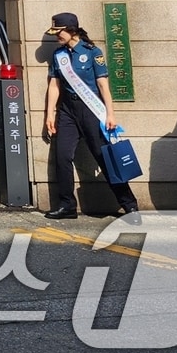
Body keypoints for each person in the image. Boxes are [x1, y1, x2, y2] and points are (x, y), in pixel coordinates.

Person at [42, 12, 138, 220]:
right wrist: (50, 114)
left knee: (105, 158)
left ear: (71, 30)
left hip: (91, 110)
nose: (56, 36)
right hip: (68, 111)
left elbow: (103, 85)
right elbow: (54, 85)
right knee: (62, 157)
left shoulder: (93, 52)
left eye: (59, 32)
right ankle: (67, 205)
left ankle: (129, 204)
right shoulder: (59, 55)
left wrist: (110, 114)